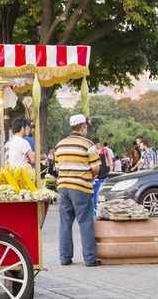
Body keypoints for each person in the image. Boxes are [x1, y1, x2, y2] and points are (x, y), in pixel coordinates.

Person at [55, 114, 101, 267]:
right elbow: (95, 168)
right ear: (82, 127)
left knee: (65, 223)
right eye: (85, 126)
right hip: (81, 188)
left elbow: (57, 167)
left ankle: (65, 257)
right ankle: (89, 258)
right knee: (85, 222)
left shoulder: (60, 145)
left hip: (62, 187)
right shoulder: (88, 145)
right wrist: (91, 177)